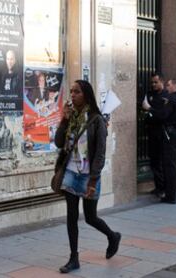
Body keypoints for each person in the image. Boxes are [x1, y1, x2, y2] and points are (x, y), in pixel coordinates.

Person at [54, 80, 121, 273]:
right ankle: (73, 258)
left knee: (90, 217)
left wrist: (94, 178)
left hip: (88, 176)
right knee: (71, 216)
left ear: (86, 95)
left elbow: (100, 152)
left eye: (77, 92)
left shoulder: (96, 120)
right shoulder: (71, 117)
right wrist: (64, 120)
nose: (72, 95)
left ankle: (112, 236)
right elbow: (59, 143)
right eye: (72, 92)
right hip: (70, 172)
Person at [142, 73, 169, 198]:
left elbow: (163, 115)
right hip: (151, 132)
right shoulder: (149, 94)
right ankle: (158, 187)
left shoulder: (166, 96)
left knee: (162, 161)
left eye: (155, 82)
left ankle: (164, 188)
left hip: (162, 133)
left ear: (162, 82)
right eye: (152, 82)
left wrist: (150, 109)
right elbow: (144, 109)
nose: (153, 85)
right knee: (154, 161)